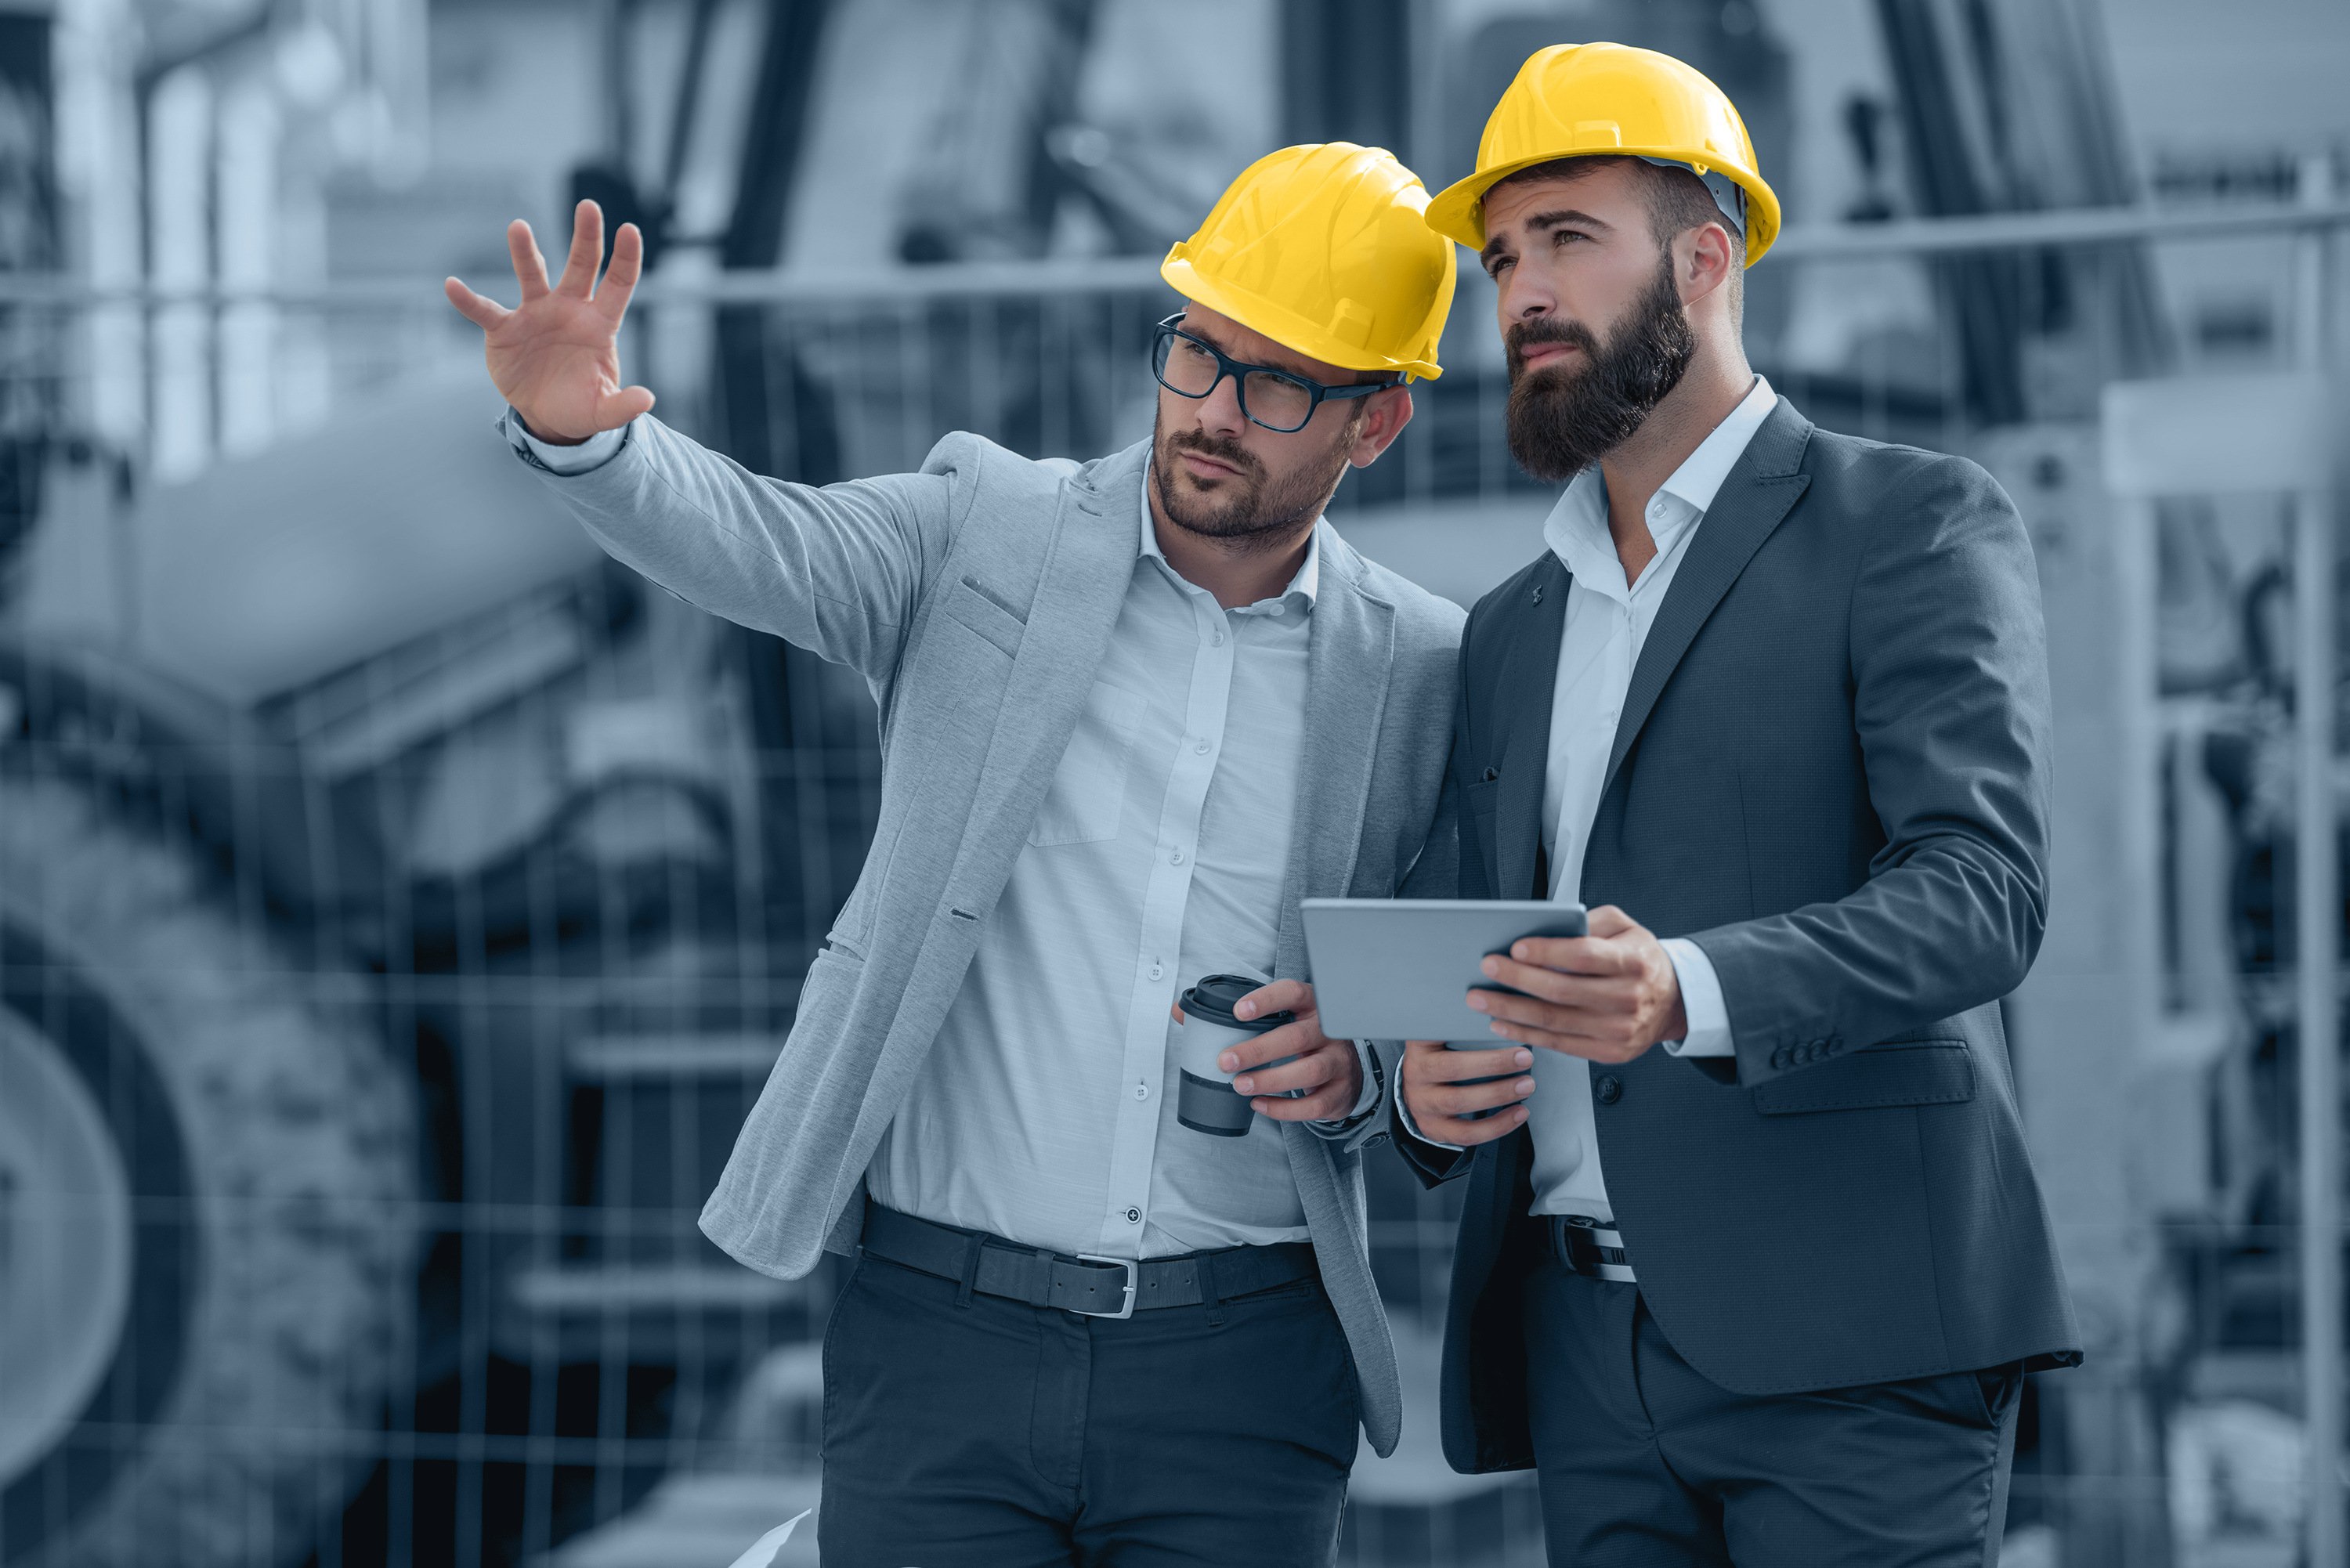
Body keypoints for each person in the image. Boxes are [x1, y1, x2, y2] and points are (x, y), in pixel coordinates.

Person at [444, 141, 1462, 1567]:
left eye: (1280, 382)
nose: (1215, 413)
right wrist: (591, 440)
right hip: (943, 1340)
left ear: (1376, 425)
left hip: (1244, 1366)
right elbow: (766, 541)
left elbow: (1423, 1008)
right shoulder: (986, 529)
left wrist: (1360, 1075)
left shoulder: (1420, 666)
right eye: (1199, 355)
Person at [1392, 43, 2081, 1567]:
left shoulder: (1908, 522)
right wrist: (1418, 1096)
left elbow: (1982, 890)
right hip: (1582, 1351)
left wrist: (1686, 989)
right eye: (1502, 256)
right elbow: (1475, 953)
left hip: (1851, 1344)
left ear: (1706, 257)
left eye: (1569, 237)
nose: (1519, 293)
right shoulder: (1510, 626)